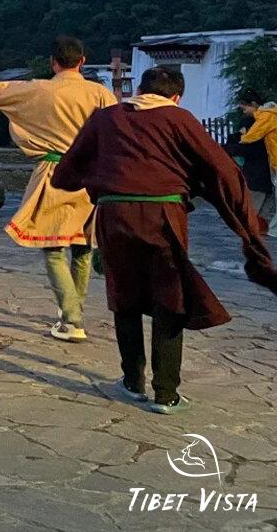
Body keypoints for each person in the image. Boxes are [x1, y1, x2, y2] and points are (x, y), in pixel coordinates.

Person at [54, 67, 277, 414]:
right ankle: (166, 393)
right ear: (176, 96)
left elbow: (66, 173)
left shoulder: (105, 118)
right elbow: (222, 169)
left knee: (123, 294)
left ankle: (131, 382)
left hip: (114, 216)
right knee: (169, 297)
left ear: (139, 90)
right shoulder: (179, 118)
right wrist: (246, 223)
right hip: (163, 216)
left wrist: (105, 179)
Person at [0, 37, 117, 342]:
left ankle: (71, 318)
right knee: (84, 245)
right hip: (92, 176)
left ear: (53, 62)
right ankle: (74, 312)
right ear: (82, 61)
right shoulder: (101, 94)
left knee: (54, 246)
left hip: (56, 173)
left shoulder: (38, 90)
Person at [238, 89, 277, 237]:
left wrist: (243, 135)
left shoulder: (266, 116)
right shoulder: (271, 114)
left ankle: (274, 231)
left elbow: (250, 137)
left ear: (253, 104)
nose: (244, 112)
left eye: (245, 108)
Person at [224, 127, 274, 231]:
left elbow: (232, 149)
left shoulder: (254, 142)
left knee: (252, 214)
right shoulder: (264, 139)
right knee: (263, 216)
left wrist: (236, 135)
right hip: (268, 182)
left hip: (257, 182)